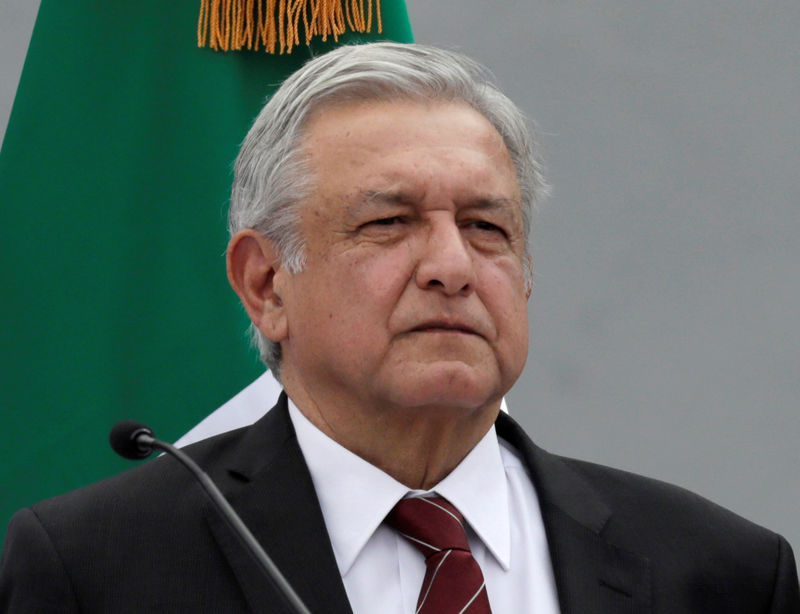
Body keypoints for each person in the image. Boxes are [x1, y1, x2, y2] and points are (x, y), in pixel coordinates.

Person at [1, 42, 797, 614]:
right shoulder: (94, 570)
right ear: (265, 283)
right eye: (389, 221)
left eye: (487, 227)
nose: (451, 265)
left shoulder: (719, 573)